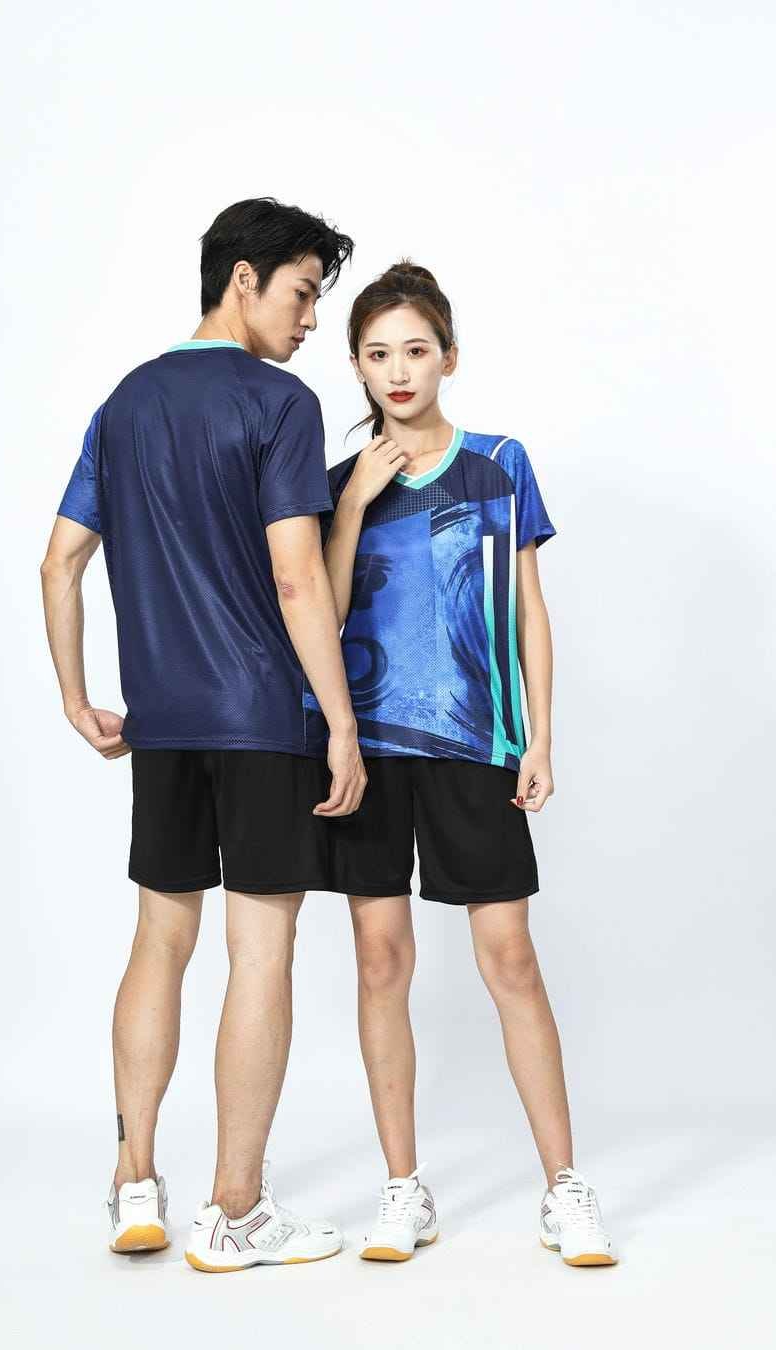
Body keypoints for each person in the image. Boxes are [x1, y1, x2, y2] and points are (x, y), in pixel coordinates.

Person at [40, 198, 366, 1273]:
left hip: (165, 724)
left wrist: (78, 698)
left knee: (159, 940)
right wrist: (343, 723)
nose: (311, 319)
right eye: (303, 293)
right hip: (263, 716)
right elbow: (296, 574)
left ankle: (135, 1182)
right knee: (258, 950)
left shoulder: (126, 402)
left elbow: (60, 561)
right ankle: (235, 1209)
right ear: (243, 278)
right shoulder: (279, 402)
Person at [307, 261, 617, 1268]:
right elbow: (322, 614)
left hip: (475, 745)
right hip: (365, 751)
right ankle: (405, 1189)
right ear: (357, 366)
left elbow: (529, 609)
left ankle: (564, 1187)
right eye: (377, 354)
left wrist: (539, 735)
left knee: (510, 958)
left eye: (415, 349)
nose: (398, 371)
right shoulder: (335, 485)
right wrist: (351, 507)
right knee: (380, 961)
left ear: (448, 356)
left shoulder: (499, 464)